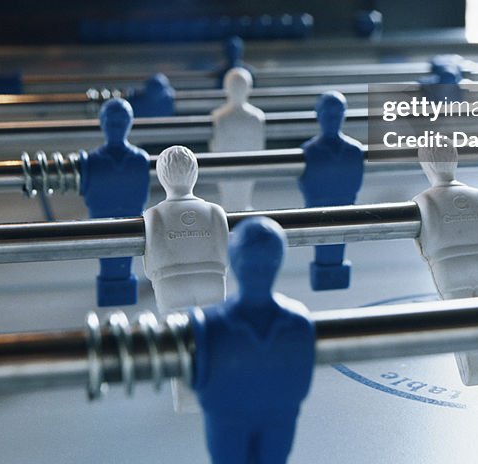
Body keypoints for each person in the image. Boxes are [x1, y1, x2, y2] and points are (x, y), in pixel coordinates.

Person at [190, 218, 315, 464]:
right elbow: (202, 383)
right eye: (251, 265)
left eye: (266, 265)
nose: (259, 273)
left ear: (278, 264)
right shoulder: (210, 323)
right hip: (228, 421)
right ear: (235, 263)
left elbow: (301, 380)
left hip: (278, 420)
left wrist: (279, 408)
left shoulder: (297, 322)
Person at [414, 142, 478, 385]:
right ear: (455, 160)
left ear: (426, 166)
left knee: (460, 318)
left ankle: (477, 371)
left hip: (449, 267)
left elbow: (428, 242)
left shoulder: (424, 201)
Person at [143, 145, 229, 413]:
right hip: (213, 283)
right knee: (212, 341)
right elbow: (225, 255)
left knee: (179, 343)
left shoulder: (153, 216)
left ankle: (186, 399)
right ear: (195, 175)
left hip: (171, 286)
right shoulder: (216, 212)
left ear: (161, 177)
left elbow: (150, 264)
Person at [78, 98, 150, 306]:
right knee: (108, 256)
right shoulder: (92, 161)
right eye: (111, 123)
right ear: (102, 123)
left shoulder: (139, 159)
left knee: (125, 257)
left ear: (130, 123)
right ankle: (112, 285)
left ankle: (120, 285)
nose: (116, 129)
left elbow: (140, 195)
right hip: (102, 217)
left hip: (130, 218)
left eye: (120, 123)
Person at [298, 91, 364, 290]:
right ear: (318, 115)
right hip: (319, 214)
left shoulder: (354, 151)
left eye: (337, 114)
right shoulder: (309, 151)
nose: (332, 119)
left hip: (342, 211)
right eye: (327, 114)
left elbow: (354, 184)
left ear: (344, 115)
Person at [210, 67, 265, 211]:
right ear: (226, 88)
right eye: (234, 87)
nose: (237, 91)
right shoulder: (220, 117)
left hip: (248, 166)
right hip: (225, 167)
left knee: (242, 196)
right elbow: (217, 147)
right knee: (229, 196)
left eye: (240, 87)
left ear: (248, 89)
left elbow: (258, 147)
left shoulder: (255, 118)